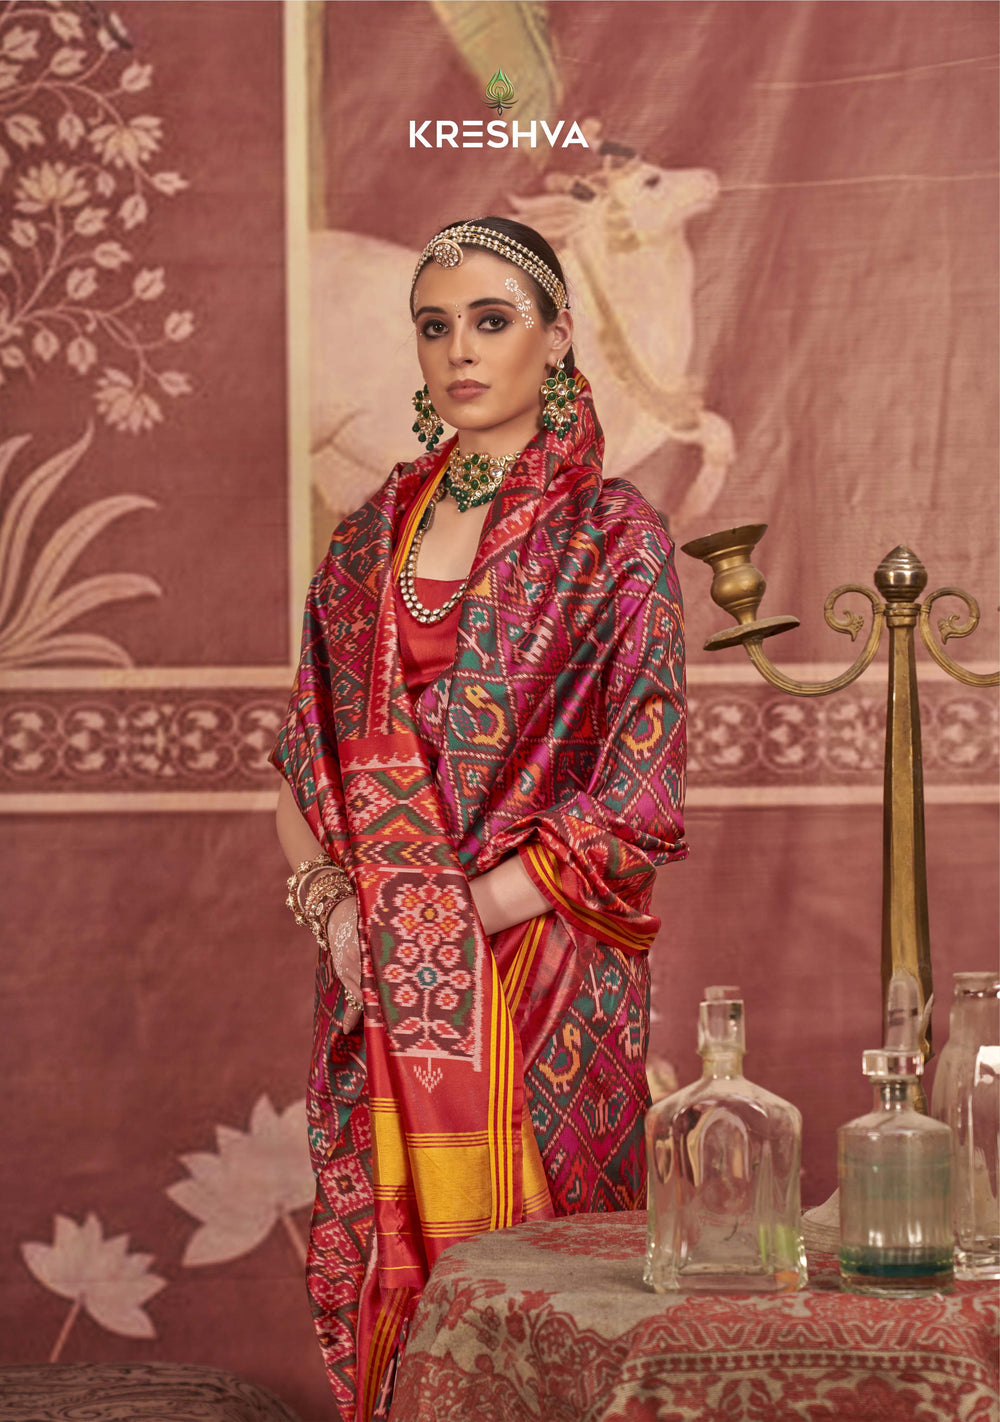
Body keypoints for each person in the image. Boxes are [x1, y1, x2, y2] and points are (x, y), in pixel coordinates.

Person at [271, 216, 687, 1421]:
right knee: (401, 1287)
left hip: (544, 966)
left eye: (492, 320)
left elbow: (639, 795)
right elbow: (302, 769)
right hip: (378, 974)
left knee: (554, 1298)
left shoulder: (615, 536)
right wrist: (341, 915)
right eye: (435, 324)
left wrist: (449, 929)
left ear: (557, 339)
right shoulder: (365, 543)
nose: (459, 349)